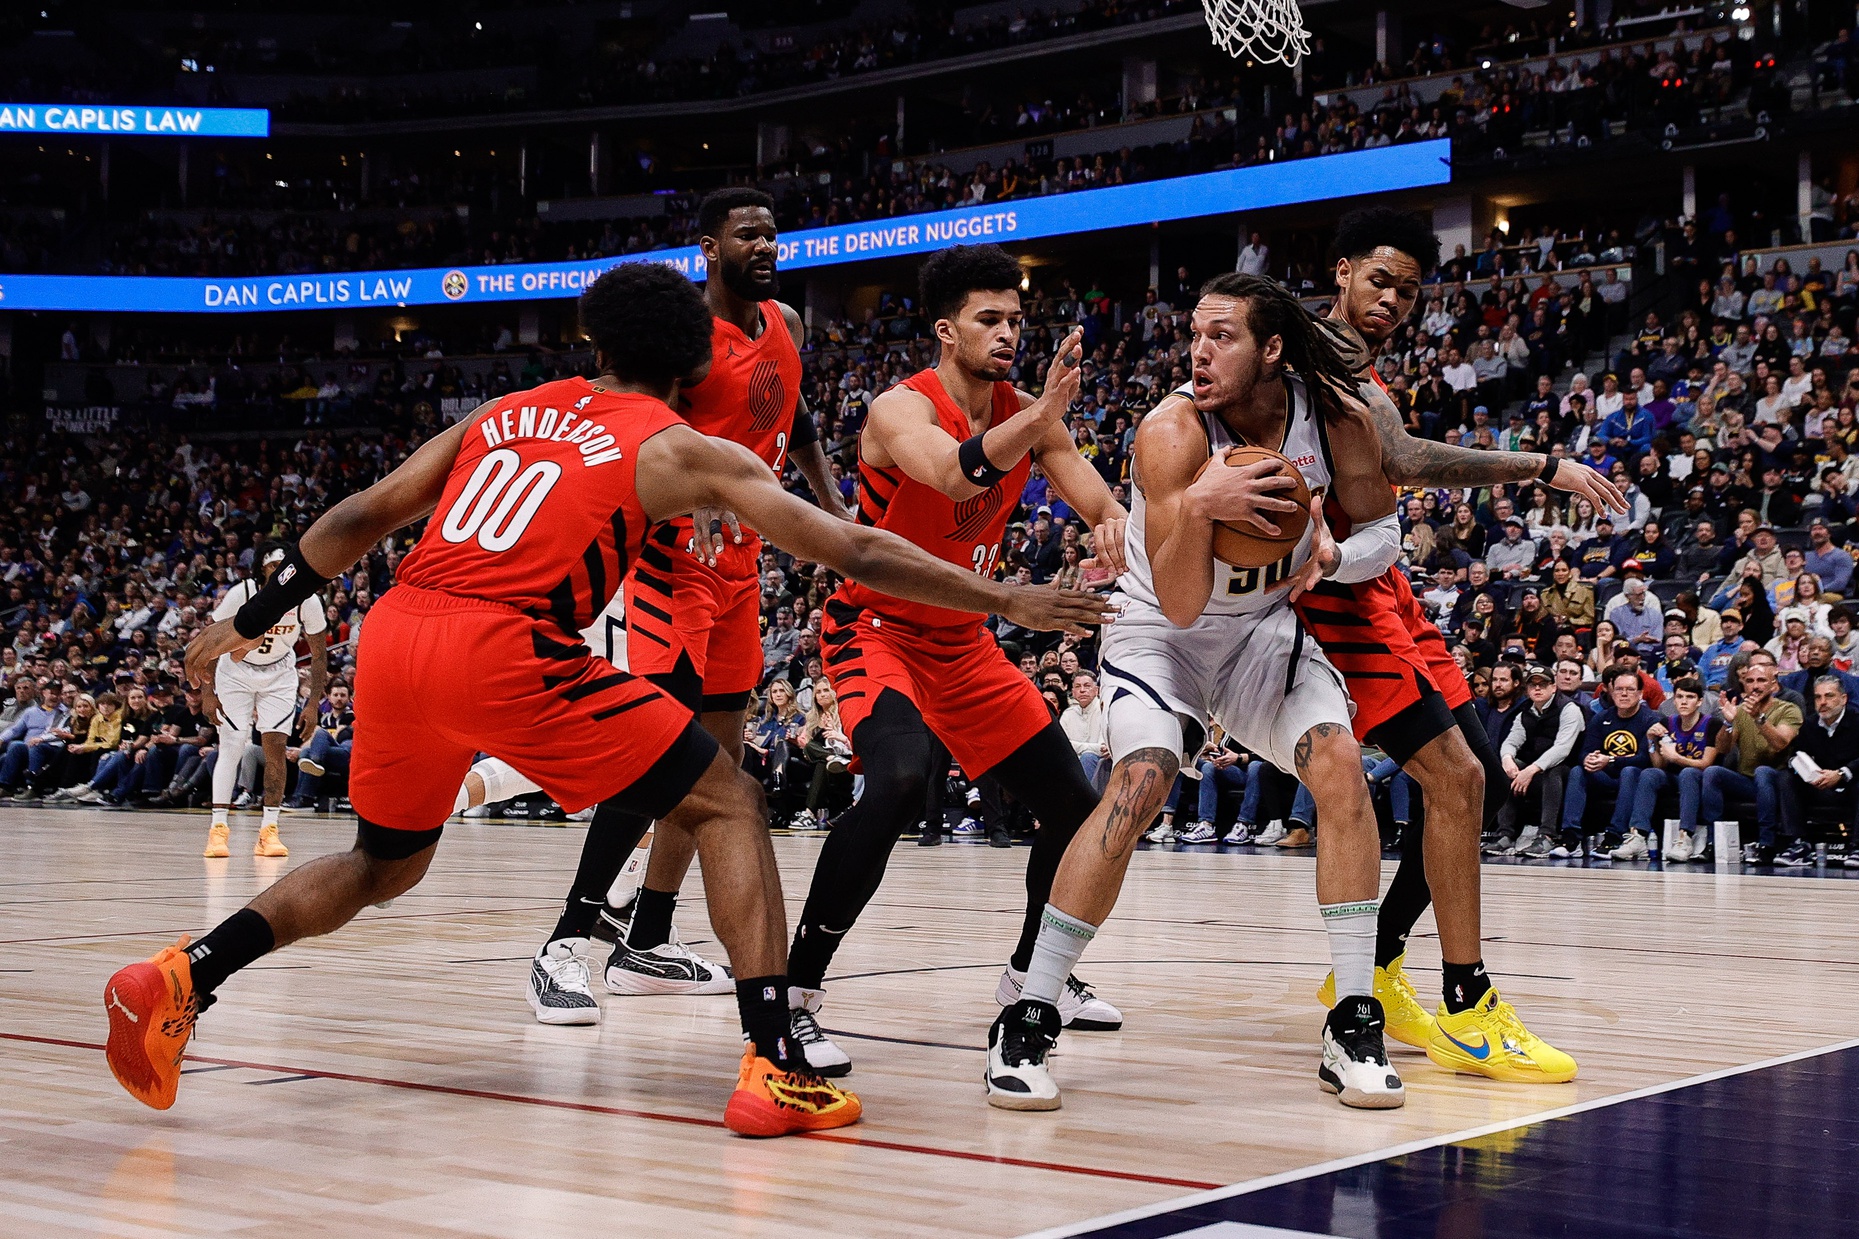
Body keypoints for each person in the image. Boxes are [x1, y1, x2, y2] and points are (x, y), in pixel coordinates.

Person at [102, 261, 1108, 1137]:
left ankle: (188, 975)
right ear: (694, 367)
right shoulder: (673, 442)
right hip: (506, 644)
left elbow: (365, 513)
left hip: (400, 635)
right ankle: (775, 1068)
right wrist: (1002, 595)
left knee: (382, 862)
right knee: (726, 801)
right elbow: (850, 546)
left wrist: (247, 618)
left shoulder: (503, 413)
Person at [996, 271, 1411, 1114]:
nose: (1198, 349)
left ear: (1272, 348)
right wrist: (1199, 507)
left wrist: (1333, 559)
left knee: (1339, 766)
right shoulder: (1170, 429)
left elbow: (1383, 529)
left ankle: (1353, 1016)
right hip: (1163, 629)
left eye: (1221, 335)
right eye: (1195, 333)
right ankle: (1029, 1010)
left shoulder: (1337, 419)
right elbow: (1181, 601)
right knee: (1140, 779)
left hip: (1261, 627)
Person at [456, 189, 859, 1010]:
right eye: (747, 234)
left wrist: (831, 505)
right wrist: (697, 490)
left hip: (742, 566)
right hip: (667, 565)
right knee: (656, 754)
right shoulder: (685, 344)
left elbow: (801, 418)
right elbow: (643, 424)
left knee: (718, 758)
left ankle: (647, 935)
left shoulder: (785, 323)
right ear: (708, 250)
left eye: (771, 232)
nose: (765, 244)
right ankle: (566, 941)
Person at [783, 244, 1132, 1080]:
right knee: (899, 781)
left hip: (963, 642)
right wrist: (1043, 410)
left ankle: (1029, 977)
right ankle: (793, 998)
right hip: (876, 629)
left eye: (1016, 318)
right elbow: (946, 473)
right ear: (946, 330)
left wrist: (1110, 523)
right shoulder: (897, 409)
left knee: (1079, 813)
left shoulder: (1029, 413)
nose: (1010, 331)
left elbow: (1091, 492)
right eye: (990, 319)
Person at [1295, 208, 1604, 1086]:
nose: (1391, 300)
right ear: (1343, 271)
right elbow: (1402, 456)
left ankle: (1383, 966)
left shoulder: (1358, 365)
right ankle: (1461, 1002)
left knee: (1468, 779)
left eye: (1407, 291)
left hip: (1380, 584)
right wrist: (1541, 466)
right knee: (1458, 777)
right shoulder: (1314, 356)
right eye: (1378, 281)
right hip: (1334, 593)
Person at [202, 541, 328, 859]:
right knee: (232, 745)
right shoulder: (241, 593)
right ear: (262, 568)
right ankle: (218, 830)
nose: (280, 570)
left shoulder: (306, 599)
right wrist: (207, 692)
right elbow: (212, 640)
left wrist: (313, 703)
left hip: (280, 674)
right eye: (273, 566)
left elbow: (319, 655)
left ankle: (268, 831)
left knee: (275, 749)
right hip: (235, 670)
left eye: (285, 565)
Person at [1675, 659, 1802, 867]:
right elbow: (1724, 749)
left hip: (1778, 780)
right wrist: (1728, 723)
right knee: (1713, 772)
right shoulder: (1741, 710)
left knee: (1763, 772)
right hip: (1746, 781)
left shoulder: (1788, 709)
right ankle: (1714, 842)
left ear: (1773, 684)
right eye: (1749, 681)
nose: (1755, 685)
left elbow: (1780, 743)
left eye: (1761, 680)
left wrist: (1760, 718)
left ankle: (1766, 844)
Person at [1557, 665, 1662, 857]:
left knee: (1629, 771)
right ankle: (1571, 838)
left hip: (1632, 779)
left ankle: (1615, 836)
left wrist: (1610, 760)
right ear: (1611, 692)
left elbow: (1644, 760)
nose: (1624, 694)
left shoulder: (1651, 719)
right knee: (1578, 771)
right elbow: (1585, 751)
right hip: (1605, 776)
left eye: (1630, 690)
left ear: (1640, 694)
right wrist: (1588, 759)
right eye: (1619, 689)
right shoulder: (1601, 718)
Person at [1498, 665, 1584, 859]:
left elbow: (1562, 749)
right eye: (1533, 685)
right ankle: (1505, 834)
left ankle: (1547, 835)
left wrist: (1531, 769)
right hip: (1536, 770)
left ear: (1553, 687)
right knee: (1507, 769)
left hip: (1570, 772)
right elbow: (1511, 741)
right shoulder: (1524, 712)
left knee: (1552, 770)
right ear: (1527, 689)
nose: (1537, 689)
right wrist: (1507, 760)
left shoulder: (1569, 709)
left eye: (1543, 684)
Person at [1644, 677, 1725, 863]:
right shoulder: (1667, 723)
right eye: (1679, 697)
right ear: (1674, 700)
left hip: (1702, 779)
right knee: (1650, 773)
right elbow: (1659, 765)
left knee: (1689, 773)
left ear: (1699, 701)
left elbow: (1706, 764)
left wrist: (1677, 758)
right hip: (1673, 778)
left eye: (1689, 697)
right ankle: (1638, 835)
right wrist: (1650, 741)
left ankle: (1685, 837)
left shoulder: (1712, 724)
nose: (1684, 701)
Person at [1788, 675, 1859, 869]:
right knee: (1786, 779)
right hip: (1817, 785)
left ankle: (1857, 847)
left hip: (1850, 785)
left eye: (1829, 696)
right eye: (1818, 697)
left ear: (1843, 698)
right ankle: (1798, 844)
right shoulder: (1810, 725)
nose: (1823, 702)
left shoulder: (1856, 721)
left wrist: (1841, 773)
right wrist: (1808, 772)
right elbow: (1795, 755)